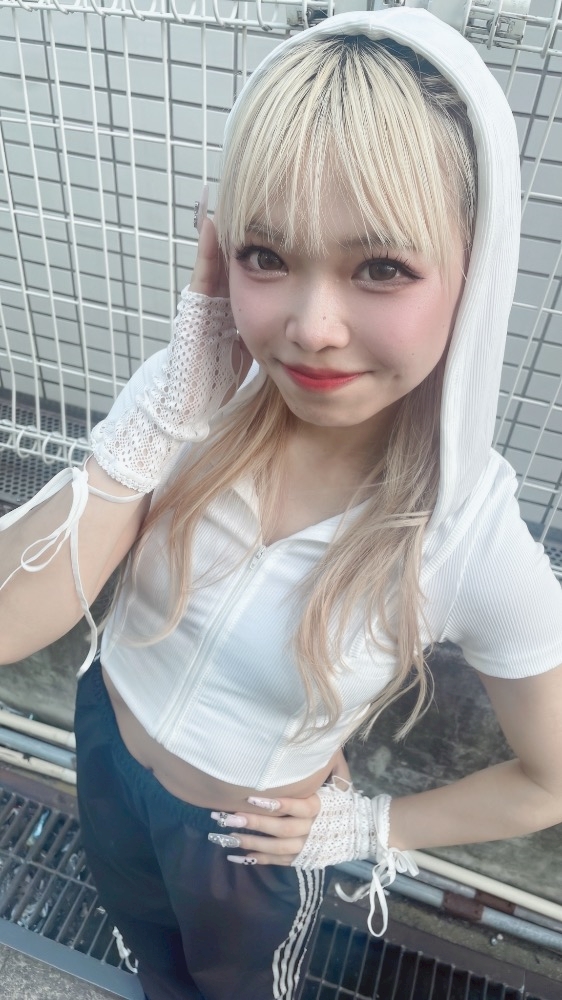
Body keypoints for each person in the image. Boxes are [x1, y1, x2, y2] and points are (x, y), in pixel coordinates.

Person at [1, 7, 562, 1000]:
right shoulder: (188, 404)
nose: (311, 327)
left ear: (472, 273)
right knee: (150, 958)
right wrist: (162, 421)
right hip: (105, 751)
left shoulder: (469, 536)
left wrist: (371, 824)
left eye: (381, 268)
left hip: (244, 848)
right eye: (266, 255)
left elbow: (548, 778)